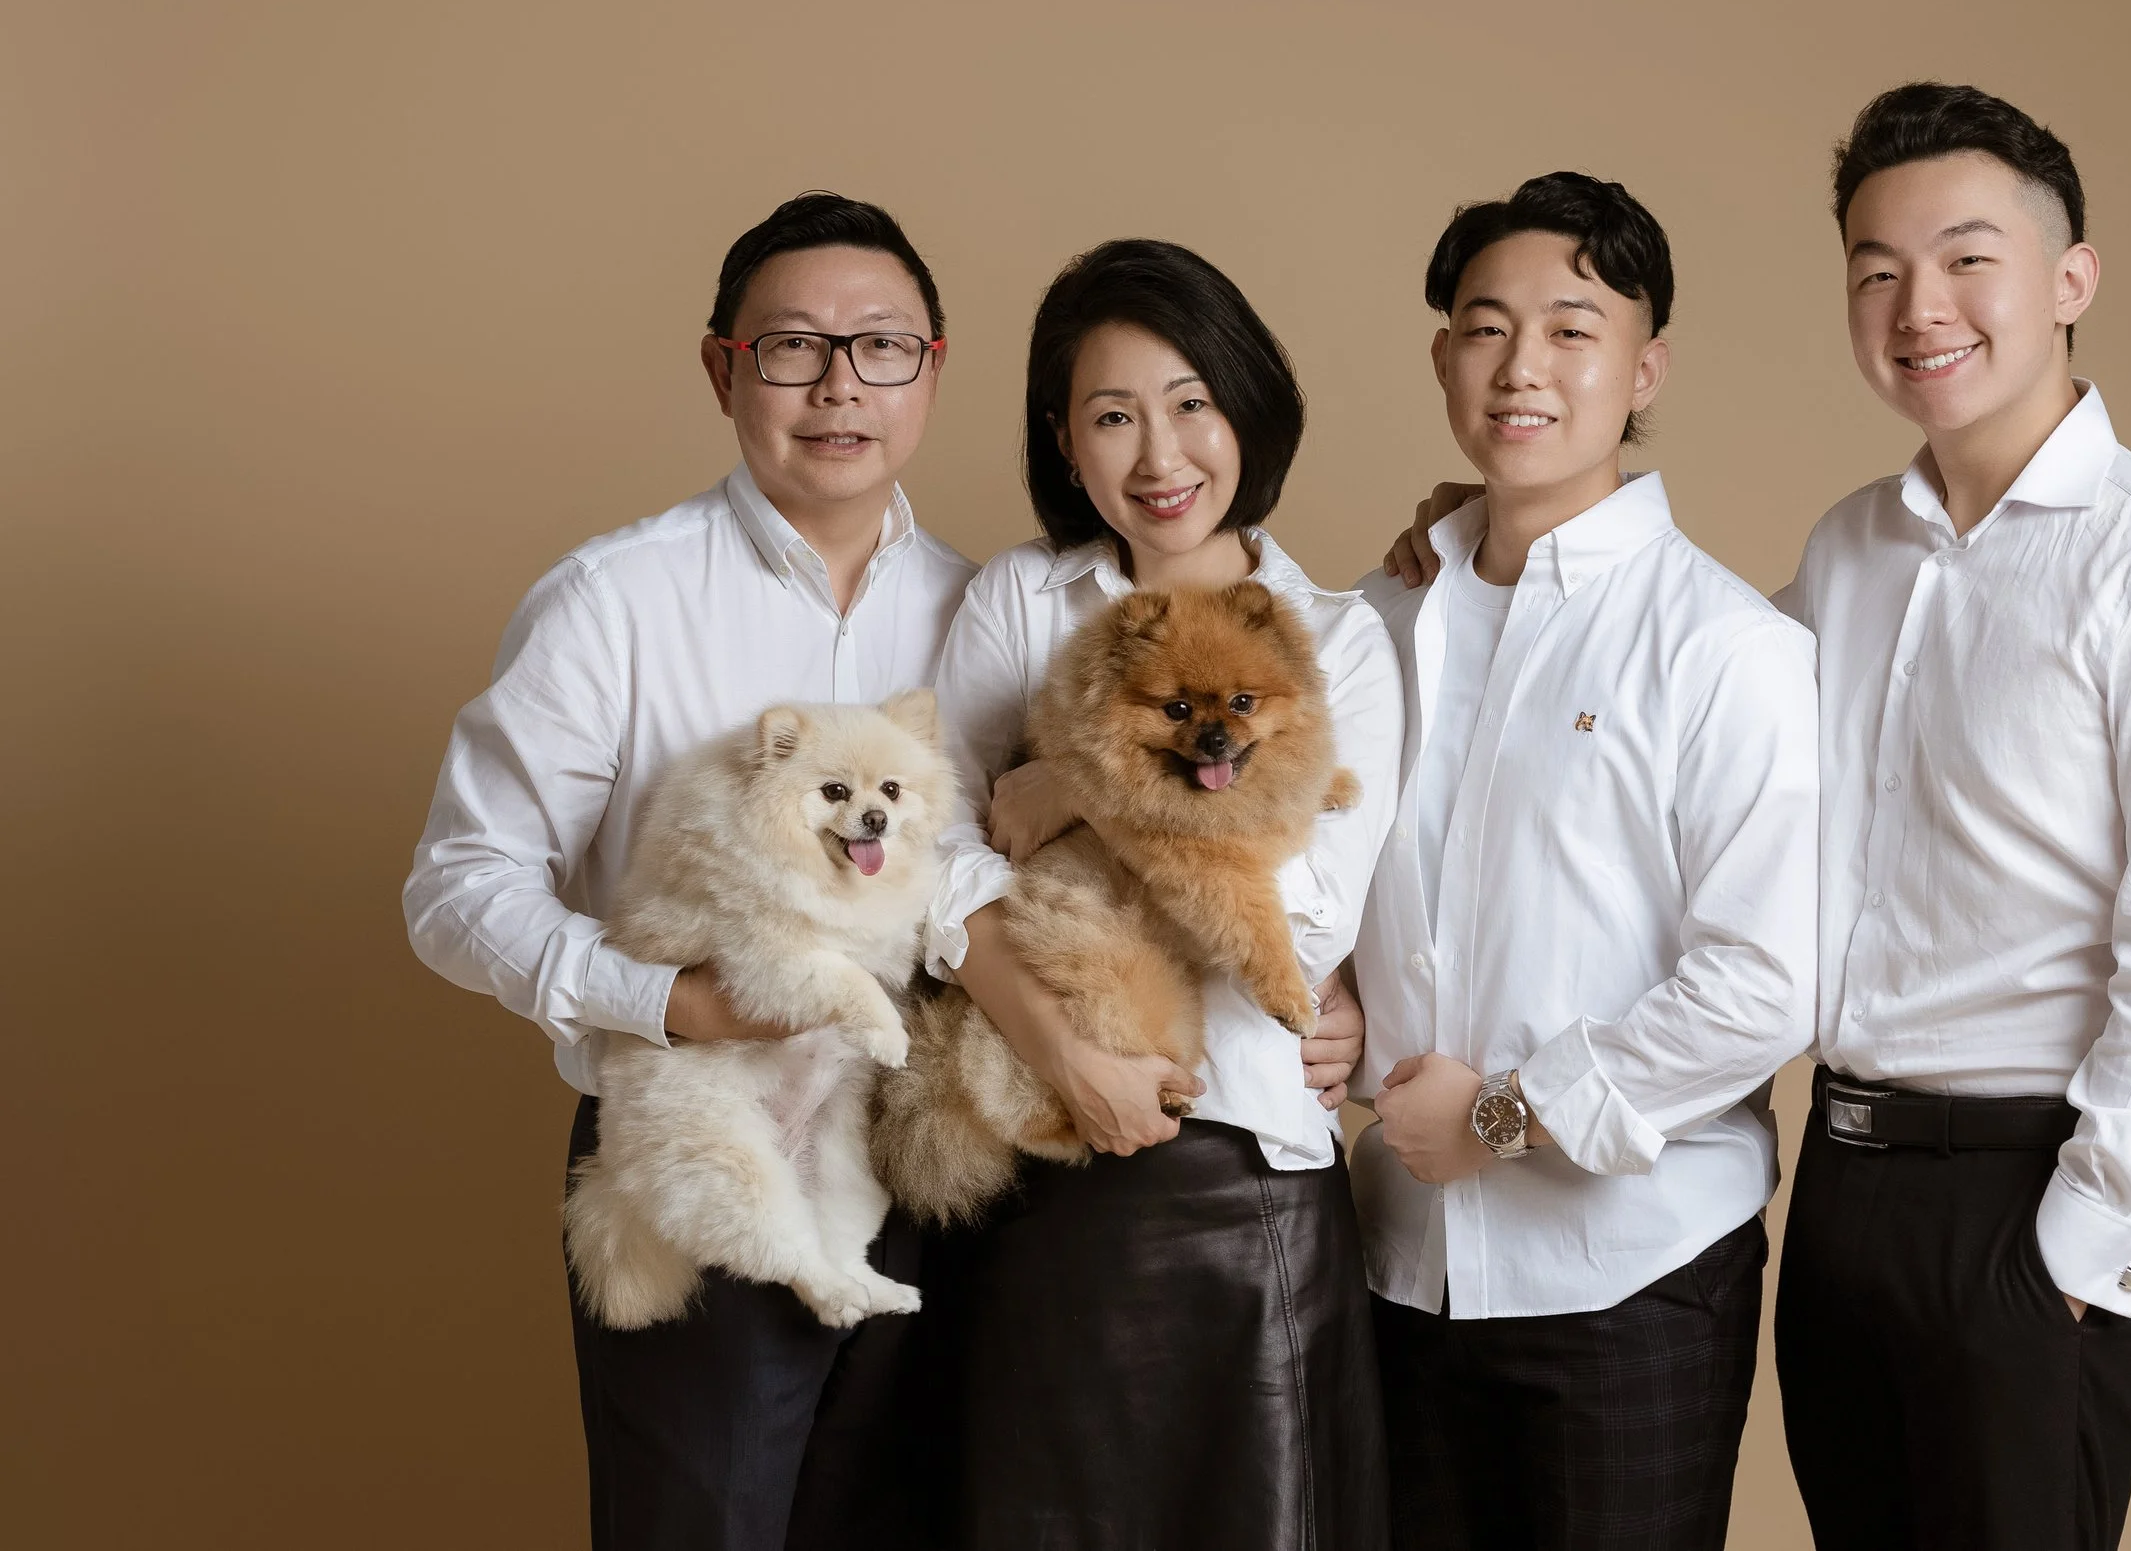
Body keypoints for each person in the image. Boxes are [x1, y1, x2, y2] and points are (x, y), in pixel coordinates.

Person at [402, 192, 978, 1549]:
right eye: (792, 347)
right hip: (698, 1137)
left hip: (924, 1146)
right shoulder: (615, 601)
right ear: (724, 369)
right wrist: (668, 1003)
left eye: (881, 345)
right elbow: (458, 882)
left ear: (931, 369)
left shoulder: (988, 609)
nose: (839, 384)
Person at [1771, 84, 2131, 1549]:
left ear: (2071, 280)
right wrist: (1488, 542)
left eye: (1966, 258)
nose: (1918, 307)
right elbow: (1683, 726)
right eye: (1878, 270)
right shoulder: (1849, 550)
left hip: (2032, 1194)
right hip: (1844, 1181)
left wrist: (2080, 1251)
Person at [1352, 172, 1819, 1550]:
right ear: (1444, 358)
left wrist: (1502, 1118)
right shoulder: (1370, 623)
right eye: (1487, 328)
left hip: (1631, 1276)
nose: (1523, 368)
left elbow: (1762, 986)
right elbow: (1311, 877)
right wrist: (1327, 1002)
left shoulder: (1725, 647)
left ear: (1644, 368)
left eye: (1572, 329)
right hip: (1394, 1268)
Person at [922, 238, 1400, 1550]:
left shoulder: (1337, 636)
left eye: (1191, 403)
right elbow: (940, 860)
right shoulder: (1022, 599)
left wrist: (1080, 784)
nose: (1159, 455)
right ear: (1064, 441)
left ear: (1248, 406)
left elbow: (1307, 911)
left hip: (1245, 1175)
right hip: (1037, 1160)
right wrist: (1065, 1053)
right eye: (1112, 415)